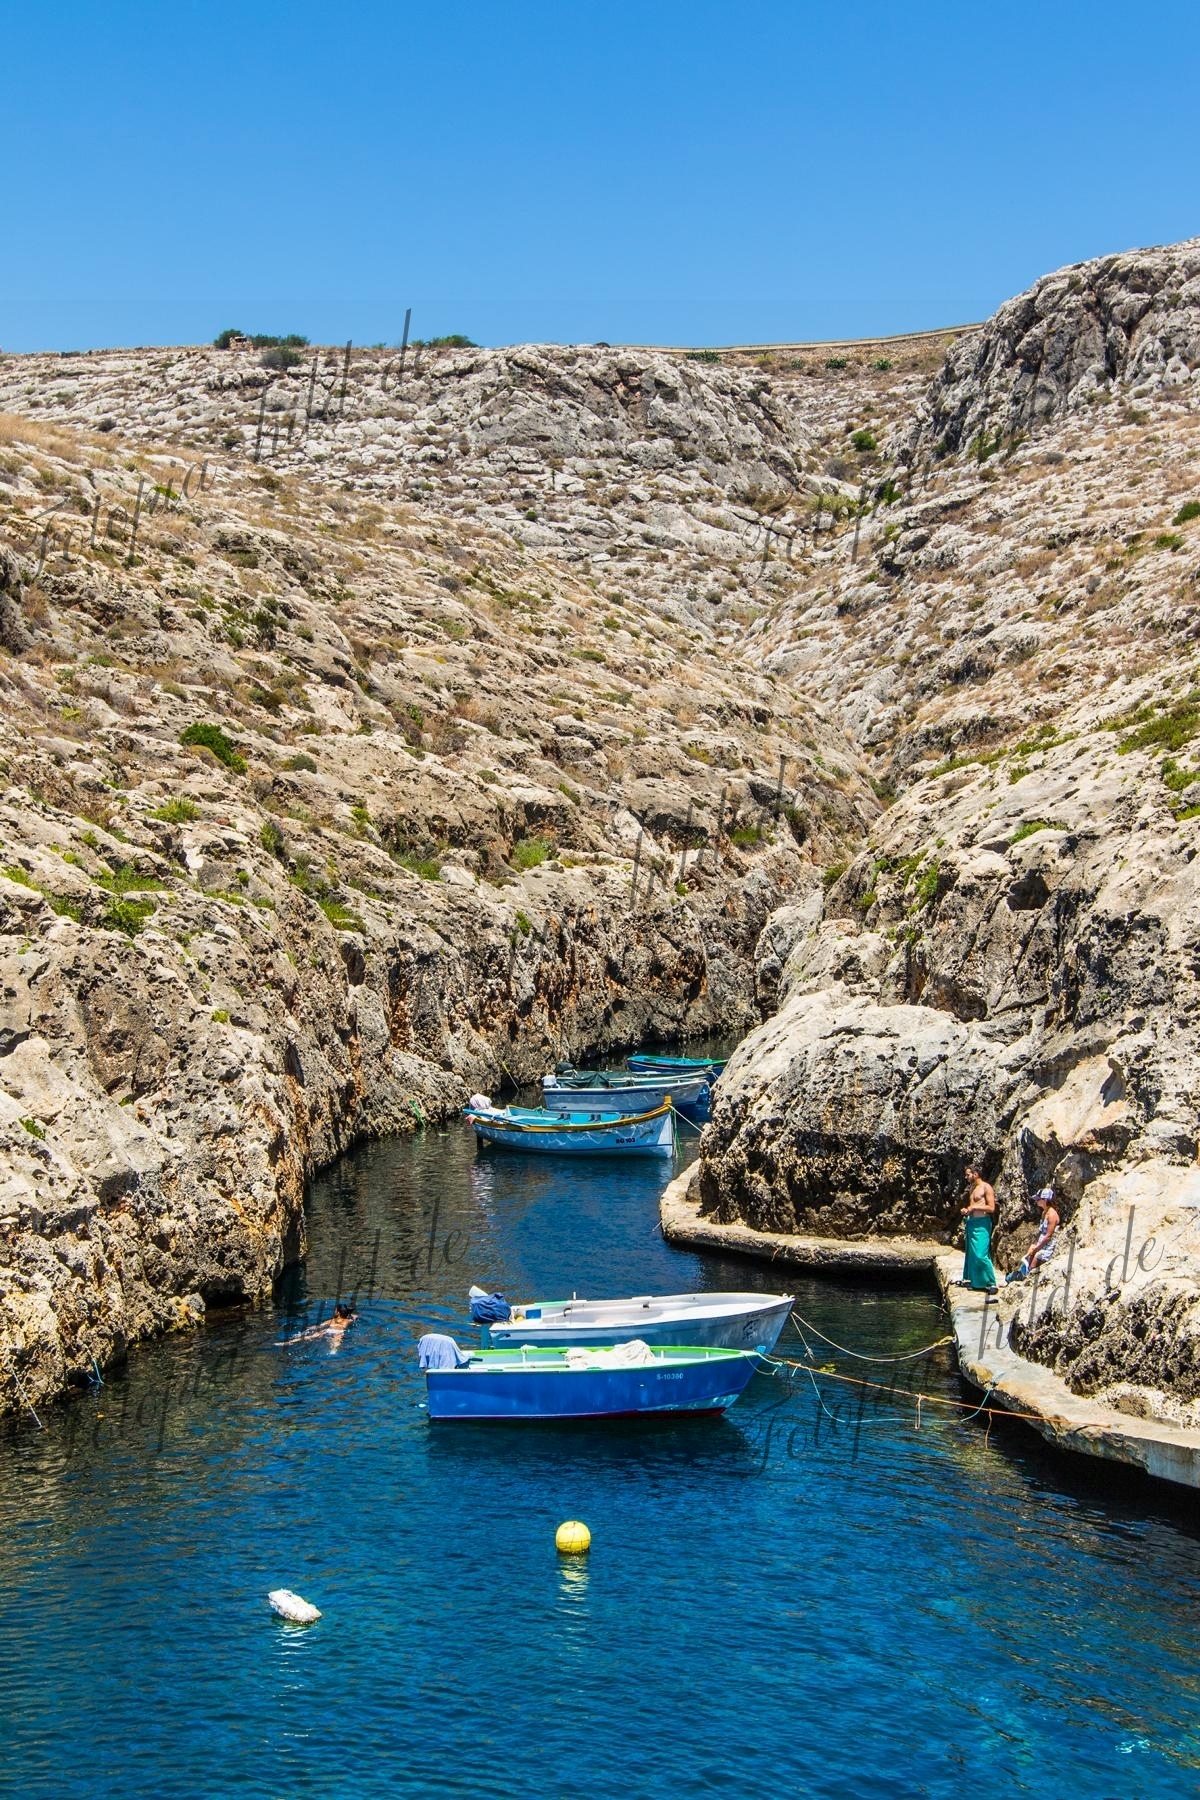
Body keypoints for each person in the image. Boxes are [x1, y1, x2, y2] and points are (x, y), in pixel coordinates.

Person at [958, 1165, 999, 1294]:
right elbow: (973, 1206)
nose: (966, 1177)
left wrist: (974, 1207)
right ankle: (976, 1282)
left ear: (975, 1174)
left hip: (982, 1223)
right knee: (972, 1253)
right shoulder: (972, 1188)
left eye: (968, 1174)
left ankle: (991, 1283)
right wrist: (967, 1210)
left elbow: (991, 1208)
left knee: (981, 1254)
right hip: (972, 1222)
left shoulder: (986, 1187)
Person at [1006, 1189, 1060, 1283]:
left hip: (1047, 1247)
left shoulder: (1052, 1215)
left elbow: (1048, 1236)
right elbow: (1041, 1233)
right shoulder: (1045, 1212)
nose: (1036, 1201)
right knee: (1027, 1262)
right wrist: (1034, 1245)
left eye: (1038, 1199)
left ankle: (1020, 1280)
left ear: (1045, 1200)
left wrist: (1036, 1249)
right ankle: (1014, 1277)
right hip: (1041, 1243)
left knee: (1032, 1267)